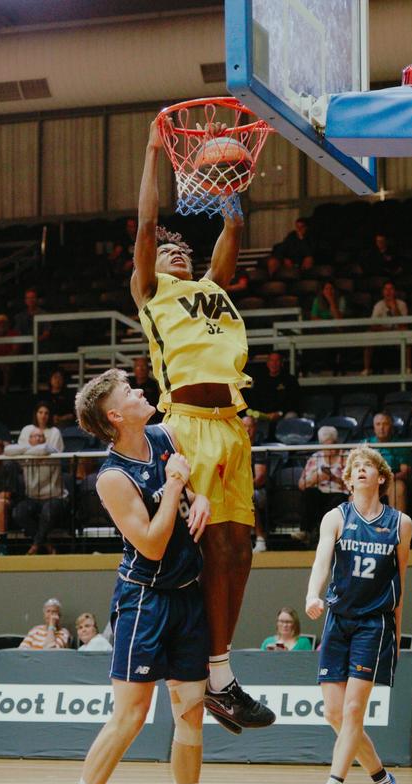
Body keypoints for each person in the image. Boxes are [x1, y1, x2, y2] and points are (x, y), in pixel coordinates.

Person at [49, 366, 230, 784]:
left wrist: (202, 497)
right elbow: (149, 543)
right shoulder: (111, 477)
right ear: (114, 414)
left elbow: (193, 468)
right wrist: (175, 487)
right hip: (144, 601)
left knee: (190, 712)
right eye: (129, 390)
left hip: (187, 595)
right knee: (130, 716)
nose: (140, 391)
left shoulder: (162, 434)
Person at [130, 117, 274, 733]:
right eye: (170, 250)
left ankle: (221, 675)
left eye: (182, 248)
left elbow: (233, 229)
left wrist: (228, 183)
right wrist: (154, 152)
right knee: (200, 549)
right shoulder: (151, 293)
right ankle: (190, 667)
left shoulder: (214, 287)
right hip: (187, 424)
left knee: (239, 550)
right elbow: (143, 224)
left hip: (234, 427)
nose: (178, 252)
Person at [304, 445, 412, 784]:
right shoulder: (335, 517)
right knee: (335, 715)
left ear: (382, 477)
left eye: (369, 466)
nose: (362, 471)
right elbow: (322, 560)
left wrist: (397, 633)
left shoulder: (400, 523)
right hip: (338, 621)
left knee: (352, 713)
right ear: (347, 480)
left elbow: (400, 581)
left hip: (374, 625)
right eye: (356, 468)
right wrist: (312, 594)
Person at [5, 429, 69, 555]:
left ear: (45, 439)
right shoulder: (25, 456)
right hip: (32, 498)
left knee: (48, 512)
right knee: (18, 512)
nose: (38, 439)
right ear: (29, 440)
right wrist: (28, 451)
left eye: (41, 436)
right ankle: (46, 544)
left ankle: (35, 545)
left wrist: (25, 451)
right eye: (34, 436)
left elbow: (43, 449)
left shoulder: (52, 451)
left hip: (56, 497)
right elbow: (7, 450)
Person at [294, 426, 347, 543]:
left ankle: (329, 536)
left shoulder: (346, 457)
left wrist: (333, 478)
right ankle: (305, 532)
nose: (328, 449)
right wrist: (316, 478)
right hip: (320, 492)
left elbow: (353, 484)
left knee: (337, 500)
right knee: (309, 493)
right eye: (325, 445)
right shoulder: (315, 457)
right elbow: (301, 484)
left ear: (336, 443)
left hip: (340, 493)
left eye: (331, 445)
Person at [362, 281, 410, 376]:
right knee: (368, 337)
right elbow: (372, 325)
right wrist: (386, 330)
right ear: (383, 292)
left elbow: (404, 325)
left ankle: (408, 368)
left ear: (395, 291)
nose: (388, 292)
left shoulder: (402, 304)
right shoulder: (378, 305)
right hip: (382, 333)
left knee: (407, 336)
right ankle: (366, 369)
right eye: (386, 289)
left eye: (391, 289)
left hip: (398, 334)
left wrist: (395, 308)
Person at [365, 412, 411, 511]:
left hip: (391, 480)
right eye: (378, 424)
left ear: (391, 426)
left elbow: (405, 472)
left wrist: (388, 477)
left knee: (399, 487)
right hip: (369, 481)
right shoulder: (365, 444)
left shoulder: (400, 446)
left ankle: (396, 525)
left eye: (385, 424)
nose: (381, 428)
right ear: (373, 427)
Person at [248, 352, 300, 422]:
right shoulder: (260, 380)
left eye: (277, 361)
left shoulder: (290, 380)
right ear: (267, 363)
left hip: (283, 414)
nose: (274, 363)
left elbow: (293, 401)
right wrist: (263, 414)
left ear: (281, 363)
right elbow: (255, 400)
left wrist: (280, 413)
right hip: (263, 414)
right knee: (248, 419)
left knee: (291, 416)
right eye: (271, 360)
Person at [241, 415, 268, 553]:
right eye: (244, 426)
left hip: (257, 490)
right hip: (237, 489)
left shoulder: (258, 449)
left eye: (249, 427)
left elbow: (260, 478)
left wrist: (243, 488)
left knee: (249, 497)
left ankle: (260, 538)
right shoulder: (237, 446)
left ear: (255, 429)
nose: (247, 430)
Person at [128, 355, 161, 421]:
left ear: (148, 369)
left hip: (151, 419)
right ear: (134, 369)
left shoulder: (155, 385)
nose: (141, 369)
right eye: (138, 366)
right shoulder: (128, 384)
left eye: (144, 366)